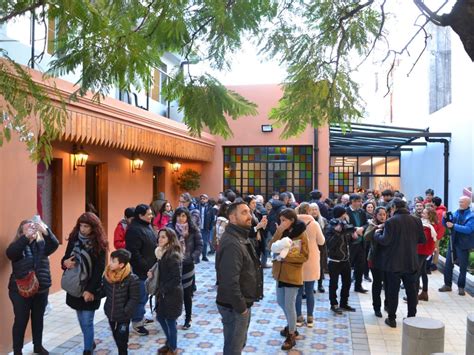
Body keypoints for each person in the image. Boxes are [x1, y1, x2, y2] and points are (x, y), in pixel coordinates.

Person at [216, 201, 263, 355]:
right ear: (232, 218)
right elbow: (230, 281)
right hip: (234, 306)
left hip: (239, 303)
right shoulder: (233, 243)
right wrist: (241, 308)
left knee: (238, 345)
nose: (249, 216)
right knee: (233, 349)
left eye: (249, 212)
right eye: (244, 212)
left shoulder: (239, 235)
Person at [6, 218, 59, 355]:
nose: (32, 230)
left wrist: (45, 230)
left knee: (38, 318)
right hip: (20, 290)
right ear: (21, 233)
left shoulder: (41, 245)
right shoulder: (17, 246)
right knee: (21, 319)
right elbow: (10, 254)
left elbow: (54, 244)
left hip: (41, 289)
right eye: (28, 228)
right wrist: (26, 238)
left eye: (33, 228)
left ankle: (38, 346)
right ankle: (17, 350)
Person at [374, 198, 425, 328]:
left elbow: (385, 240)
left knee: (393, 292)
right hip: (411, 261)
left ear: (394, 207)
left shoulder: (391, 221)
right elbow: (421, 239)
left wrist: (377, 234)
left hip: (393, 263)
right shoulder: (416, 220)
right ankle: (411, 318)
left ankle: (392, 319)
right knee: (411, 292)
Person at [62, 212, 108, 354]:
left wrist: (90, 290)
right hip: (76, 286)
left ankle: (87, 350)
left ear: (93, 228)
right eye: (81, 225)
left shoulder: (99, 244)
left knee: (87, 320)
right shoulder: (74, 239)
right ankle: (90, 341)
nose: (83, 229)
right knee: (81, 319)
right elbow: (65, 258)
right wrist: (65, 263)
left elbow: (99, 270)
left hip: (90, 287)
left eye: (86, 226)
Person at [270, 208, 309, 351]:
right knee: (281, 302)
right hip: (279, 273)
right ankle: (291, 325)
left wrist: (286, 257)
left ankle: (291, 334)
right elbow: (272, 247)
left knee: (289, 305)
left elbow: (305, 256)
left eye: (284, 221)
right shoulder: (282, 232)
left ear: (292, 220)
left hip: (292, 274)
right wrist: (279, 231)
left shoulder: (301, 234)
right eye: (280, 220)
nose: (281, 223)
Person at [125, 204, 157, 336]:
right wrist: (146, 267)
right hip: (140, 271)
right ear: (140, 215)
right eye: (149, 214)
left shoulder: (145, 225)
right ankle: (137, 322)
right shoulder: (134, 230)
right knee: (140, 297)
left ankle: (141, 316)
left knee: (144, 296)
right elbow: (135, 253)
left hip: (149, 269)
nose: (151, 216)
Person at [168, 207, 202, 330]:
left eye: (183, 216)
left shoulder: (193, 230)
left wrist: (192, 257)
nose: (181, 218)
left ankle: (188, 319)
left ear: (187, 217)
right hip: (173, 266)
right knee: (175, 293)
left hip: (188, 265)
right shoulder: (170, 230)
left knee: (187, 293)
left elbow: (199, 245)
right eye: (178, 215)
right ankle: (174, 317)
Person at [152, 228, 184, 355]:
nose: (160, 239)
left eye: (163, 237)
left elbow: (177, 278)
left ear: (170, 239)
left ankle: (173, 348)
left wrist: (163, 289)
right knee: (160, 317)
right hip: (164, 293)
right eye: (159, 237)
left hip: (172, 294)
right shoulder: (162, 253)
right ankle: (169, 343)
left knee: (170, 321)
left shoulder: (172, 255)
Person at [102, 249, 140, 355]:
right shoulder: (107, 276)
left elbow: (134, 298)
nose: (110, 263)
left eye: (113, 261)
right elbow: (103, 291)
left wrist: (125, 311)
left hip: (123, 316)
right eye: (111, 260)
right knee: (116, 336)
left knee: (122, 339)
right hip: (111, 313)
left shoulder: (132, 279)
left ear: (121, 264)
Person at [295, 203, 325, 328]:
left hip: (296, 259)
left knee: (297, 291)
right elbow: (321, 241)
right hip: (311, 259)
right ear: (308, 211)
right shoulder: (314, 224)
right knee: (310, 291)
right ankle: (310, 318)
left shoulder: (294, 223)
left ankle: (298, 317)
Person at [439, 196, 474, 296]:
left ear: (468, 203)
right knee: (448, 265)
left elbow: (468, 229)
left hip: (463, 245)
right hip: (452, 242)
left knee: (463, 267)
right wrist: (444, 218)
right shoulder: (456, 212)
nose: (460, 203)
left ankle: (461, 287)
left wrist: (454, 226)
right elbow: (446, 224)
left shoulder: (472, 216)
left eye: (462, 202)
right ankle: (447, 285)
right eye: (459, 202)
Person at [325, 206, 357, 315]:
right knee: (334, 284)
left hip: (345, 260)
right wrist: (337, 232)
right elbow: (329, 244)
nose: (346, 215)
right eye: (345, 213)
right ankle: (334, 304)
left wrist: (353, 237)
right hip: (334, 260)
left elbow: (349, 242)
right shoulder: (330, 226)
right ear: (342, 214)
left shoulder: (346, 225)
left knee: (347, 282)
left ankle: (344, 303)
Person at [364, 207, 387, 317]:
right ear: (375, 215)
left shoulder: (390, 224)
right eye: (380, 214)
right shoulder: (372, 224)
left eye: (384, 214)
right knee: (377, 283)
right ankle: (376, 307)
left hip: (388, 259)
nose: (382, 217)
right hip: (374, 258)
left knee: (388, 283)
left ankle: (387, 304)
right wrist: (376, 228)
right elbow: (366, 237)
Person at [346, 194, 369, 292]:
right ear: (352, 201)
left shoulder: (362, 212)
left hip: (361, 242)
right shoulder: (346, 211)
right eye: (358, 201)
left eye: (360, 201)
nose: (360, 203)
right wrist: (355, 229)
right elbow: (345, 225)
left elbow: (367, 223)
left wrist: (362, 228)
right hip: (351, 243)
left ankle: (358, 285)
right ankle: (346, 285)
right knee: (347, 266)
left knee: (360, 266)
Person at [416, 208, 439, 301]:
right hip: (425, 250)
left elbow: (423, 239)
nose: (422, 214)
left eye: (424, 213)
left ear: (429, 215)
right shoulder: (430, 224)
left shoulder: (427, 226)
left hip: (422, 250)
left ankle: (414, 295)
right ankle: (424, 293)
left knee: (416, 273)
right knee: (423, 272)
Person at [309, 202, 328, 293]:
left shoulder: (323, 220)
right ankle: (311, 286)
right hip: (311, 246)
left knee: (320, 266)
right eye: (312, 209)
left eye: (315, 209)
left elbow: (327, 233)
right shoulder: (307, 221)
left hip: (321, 247)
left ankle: (320, 284)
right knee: (311, 267)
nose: (314, 211)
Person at [198, 194, 215, 262]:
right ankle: (197, 256)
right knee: (198, 242)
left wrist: (210, 227)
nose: (202, 200)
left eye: (204, 198)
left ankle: (204, 256)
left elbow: (212, 218)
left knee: (205, 243)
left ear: (207, 200)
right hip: (198, 228)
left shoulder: (210, 208)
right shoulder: (197, 207)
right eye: (201, 198)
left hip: (206, 228)